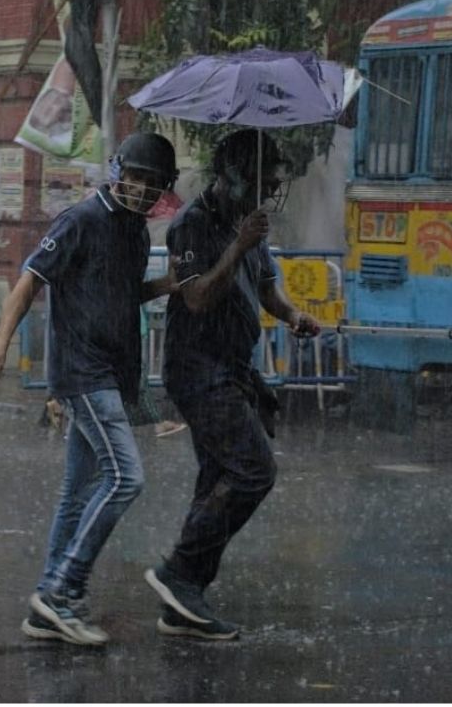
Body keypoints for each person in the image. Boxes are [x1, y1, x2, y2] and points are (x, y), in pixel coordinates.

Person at [0, 132, 180, 647]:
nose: (143, 189)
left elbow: (122, 293)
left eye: (153, 183)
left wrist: (167, 285)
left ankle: (49, 607)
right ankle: (63, 590)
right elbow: (30, 280)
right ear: (118, 173)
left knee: (77, 493)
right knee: (125, 478)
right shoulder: (81, 220)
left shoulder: (136, 233)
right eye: (137, 178)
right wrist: (0, 343)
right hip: (84, 373)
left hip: (113, 372)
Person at [145, 129, 320, 641]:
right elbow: (197, 297)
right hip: (197, 368)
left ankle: (184, 602)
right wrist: (237, 246)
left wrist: (293, 315)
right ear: (233, 175)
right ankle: (179, 572)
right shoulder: (192, 225)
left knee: (218, 479)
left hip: (233, 366)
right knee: (252, 471)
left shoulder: (251, 224)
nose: (270, 192)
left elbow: (266, 289)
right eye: (263, 181)